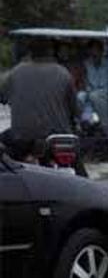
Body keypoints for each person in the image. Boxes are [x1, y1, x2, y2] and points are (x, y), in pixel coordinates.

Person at [0, 38, 85, 176]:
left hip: (22, 138)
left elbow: (2, 97)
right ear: (51, 52)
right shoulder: (63, 73)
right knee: (81, 174)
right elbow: (75, 110)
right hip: (58, 137)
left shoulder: (15, 73)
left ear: (30, 53)